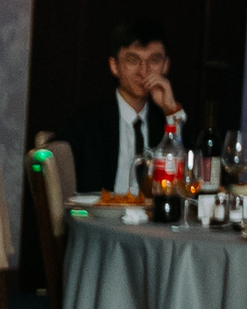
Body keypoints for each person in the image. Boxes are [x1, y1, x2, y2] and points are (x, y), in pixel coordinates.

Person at [57, 18, 187, 199]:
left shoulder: (165, 120)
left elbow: (188, 183)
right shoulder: (86, 121)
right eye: (133, 61)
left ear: (165, 66)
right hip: (101, 221)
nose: (144, 71)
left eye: (154, 60)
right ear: (114, 66)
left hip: (155, 224)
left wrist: (171, 110)